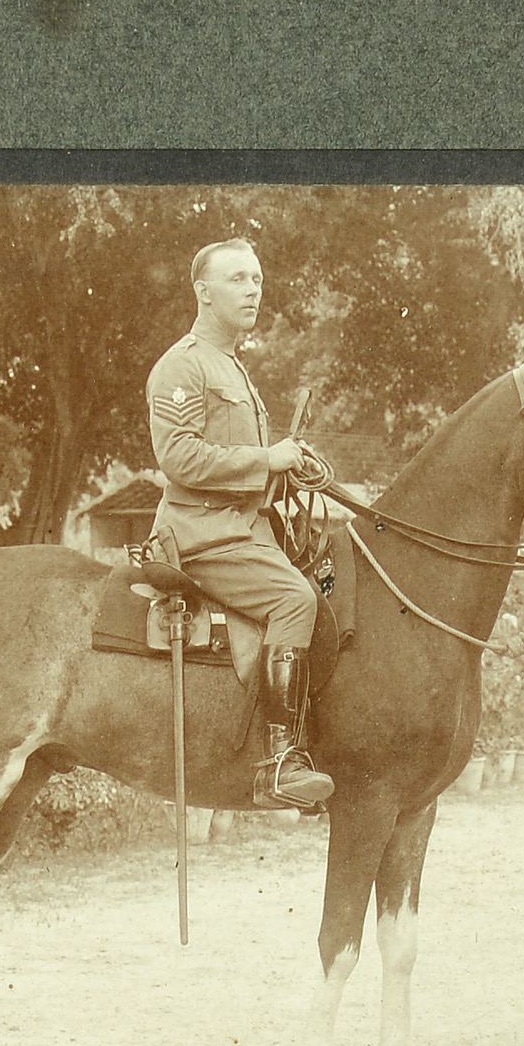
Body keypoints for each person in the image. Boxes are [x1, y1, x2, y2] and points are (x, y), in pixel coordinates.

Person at [144, 239, 334, 809]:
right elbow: (177, 458)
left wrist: (289, 468)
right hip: (202, 535)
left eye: (256, 278)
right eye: (237, 279)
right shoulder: (183, 365)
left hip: (244, 527)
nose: (253, 289)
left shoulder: (233, 367)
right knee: (295, 601)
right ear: (203, 292)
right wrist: (265, 459)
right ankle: (277, 764)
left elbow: (248, 470)